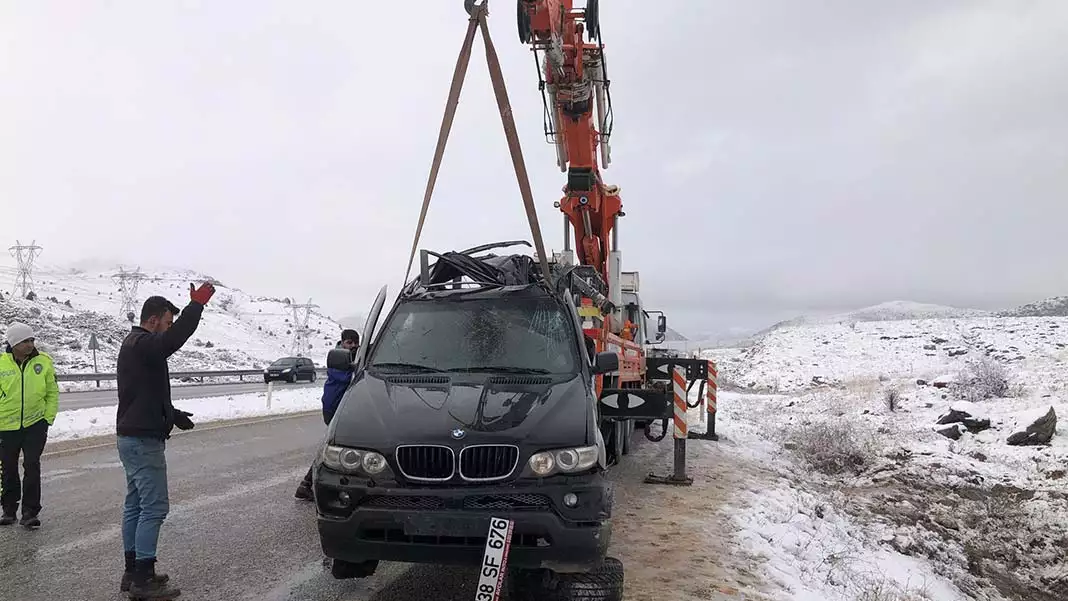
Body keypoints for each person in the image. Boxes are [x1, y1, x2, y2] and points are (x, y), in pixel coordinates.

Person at [115, 283, 215, 600]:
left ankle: (133, 571)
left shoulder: (135, 345)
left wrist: (171, 414)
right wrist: (195, 306)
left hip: (131, 434)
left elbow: (143, 393)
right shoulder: (143, 342)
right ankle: (143, 580)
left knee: (136, 504)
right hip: (142, 440)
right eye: (167, 322)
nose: (168, 329)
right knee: (155, 507)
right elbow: (172, 341)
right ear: (155, 319)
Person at [0, 322, 59, 529]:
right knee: (8, 468)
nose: (30, 344)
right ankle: (9, 510)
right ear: (14, 343)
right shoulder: (1, 364)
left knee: (32, 466)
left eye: (32, 340)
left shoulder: (43, 362)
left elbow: (52, 392)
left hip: (35, 425)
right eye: (25, 341)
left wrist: (47, 419)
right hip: (6, 427)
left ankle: (30, 512)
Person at [294, 328, 360, 501]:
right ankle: (309, 484)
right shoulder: (338, 358)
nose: (352, 346)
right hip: (334, 407)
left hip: (343, 407)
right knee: (332, 448)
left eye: (355, 342)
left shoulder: (353, 357)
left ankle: (308, 484)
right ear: (342, 342)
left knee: (341, 447)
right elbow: (348, 378)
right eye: (349, 342)